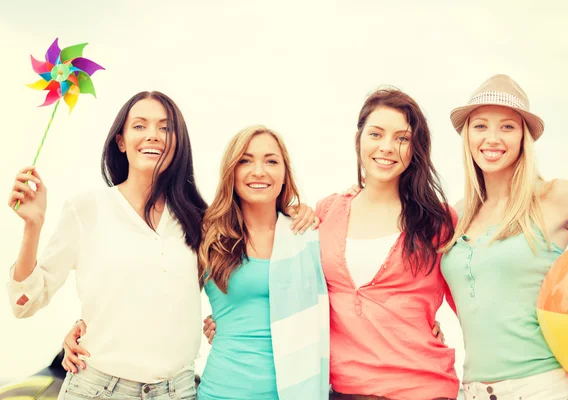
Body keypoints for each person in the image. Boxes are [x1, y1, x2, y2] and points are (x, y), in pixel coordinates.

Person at [206, 87, 458, 400]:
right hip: (343, 391)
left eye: (402, 138)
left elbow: (471, 301)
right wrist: (227, 319)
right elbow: (291, 287)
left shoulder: (440, 221)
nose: (388, 147)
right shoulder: (326, 213)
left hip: (422, 387)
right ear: (359, 140)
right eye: (376, 134)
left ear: (416, 147)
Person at [8, 91, 207, 400]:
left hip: (178, 391)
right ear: (121, 141)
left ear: (178, 143)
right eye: (140, 126)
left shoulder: (199, 218)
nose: (153, 135)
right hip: (98, 390)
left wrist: (297, 215)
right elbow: (25, 302)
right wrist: (32, 227)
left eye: (165, 128)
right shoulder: (87, 208)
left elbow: (236, 290)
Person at [440, 74, 568, 399]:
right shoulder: (457, 216)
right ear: (467, 134)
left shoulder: (557, 197)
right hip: (471, 390)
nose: (493, 138)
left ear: (524, 136)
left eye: (508, 127)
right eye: (481, 126)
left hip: (545, 386)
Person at [195, 125, 329, 399]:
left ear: (284, 174)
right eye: (245, 160)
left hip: (297, 390)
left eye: (271, 160)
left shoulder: (307, 235)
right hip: (222, 390)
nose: (259, 171)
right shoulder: (207, 237)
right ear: (231, 172)